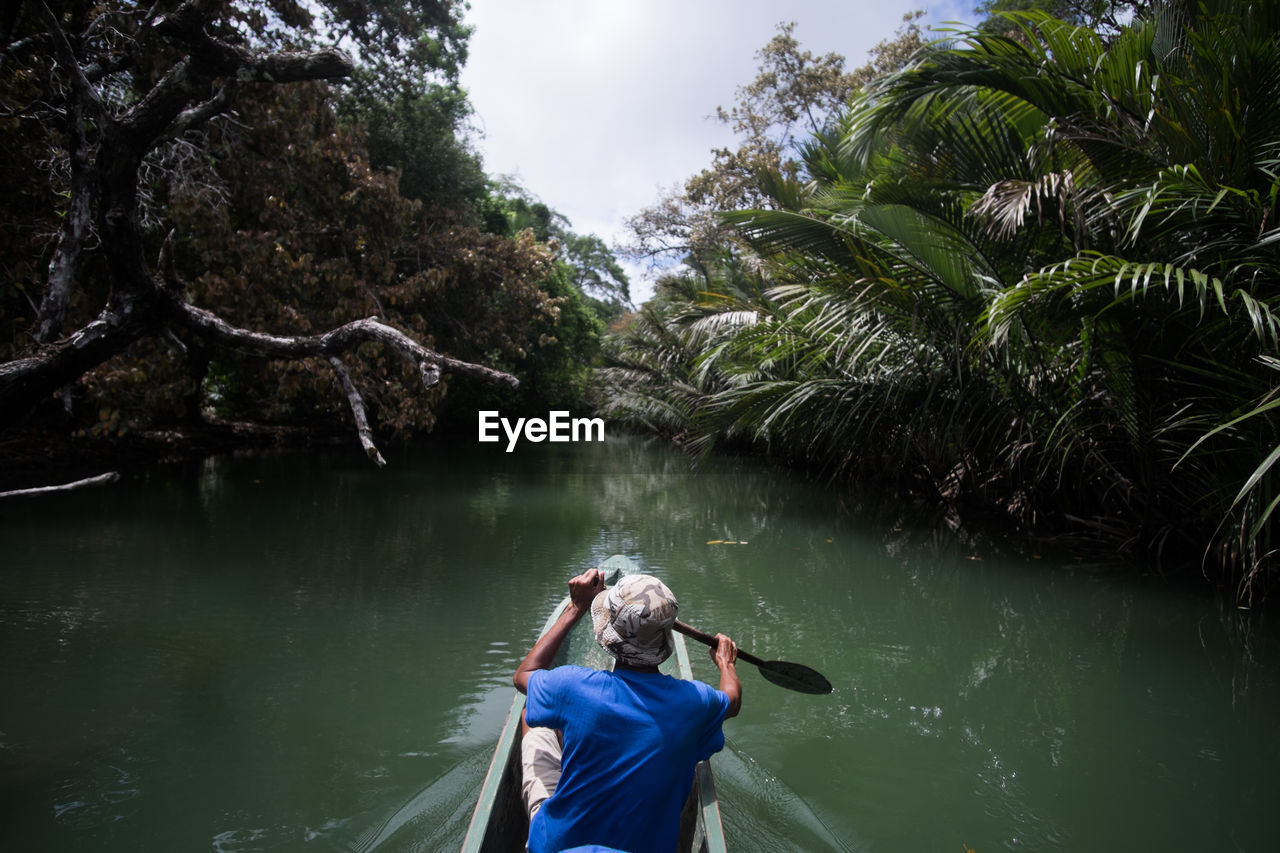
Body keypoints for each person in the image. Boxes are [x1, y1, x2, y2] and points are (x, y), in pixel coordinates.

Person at [513, 568, 742, 853]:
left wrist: (576, 607)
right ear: (666, 641)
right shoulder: (695, 701)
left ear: (609, 635)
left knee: (531, 718)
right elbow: (732, 699)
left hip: (557, 847)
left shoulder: (572, 687)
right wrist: (725, 662)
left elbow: (524, 675)